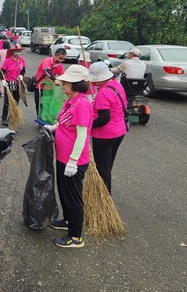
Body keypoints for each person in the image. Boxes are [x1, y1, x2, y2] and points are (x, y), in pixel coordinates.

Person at [44, 65, 93, 248]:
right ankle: (67, 220)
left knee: (73, 197)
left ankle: (75, 236)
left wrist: (73, 161)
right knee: (64, 192)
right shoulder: (70, 100)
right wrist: (54, 128)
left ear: (77, 85)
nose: (62, 85)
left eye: (66, 83)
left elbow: (82, 135)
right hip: (63, 157)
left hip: (74, 161)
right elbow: (64, 121)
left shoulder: (82, 104)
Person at [88, 62, 128, 194]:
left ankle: (104, 195)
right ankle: (104, 191)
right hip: (119, 131)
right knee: (108, 164)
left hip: (105, 135)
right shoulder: (116, 85)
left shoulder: (103, 93)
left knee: (102, 168)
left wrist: (86, 126)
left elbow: (104, 118)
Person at [34, 48, 67, 116]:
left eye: (63, 59)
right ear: (55, 55)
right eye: (59, 58)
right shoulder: (47, 61)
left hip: (49, 87)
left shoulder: (59, 65)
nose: (60, 60)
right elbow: (47, 71)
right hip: (40, 86)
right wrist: (54, 80)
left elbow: (63, 75)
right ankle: (39, 116)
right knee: (40, 103)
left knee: (48, 103)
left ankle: (46, 117)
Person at [0, 44, 26, 126]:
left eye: (19, 51)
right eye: (17, 51)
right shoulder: (8, 60)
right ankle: (4, 118)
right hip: (8, 83)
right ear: (13, 52)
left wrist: (21, 75)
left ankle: (13, 115)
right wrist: (3, 80)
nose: (18, 53)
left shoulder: (22, 60)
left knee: (16, 100)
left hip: (17, 82)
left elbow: (23, 70)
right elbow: (1, 72)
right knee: (7, 101)